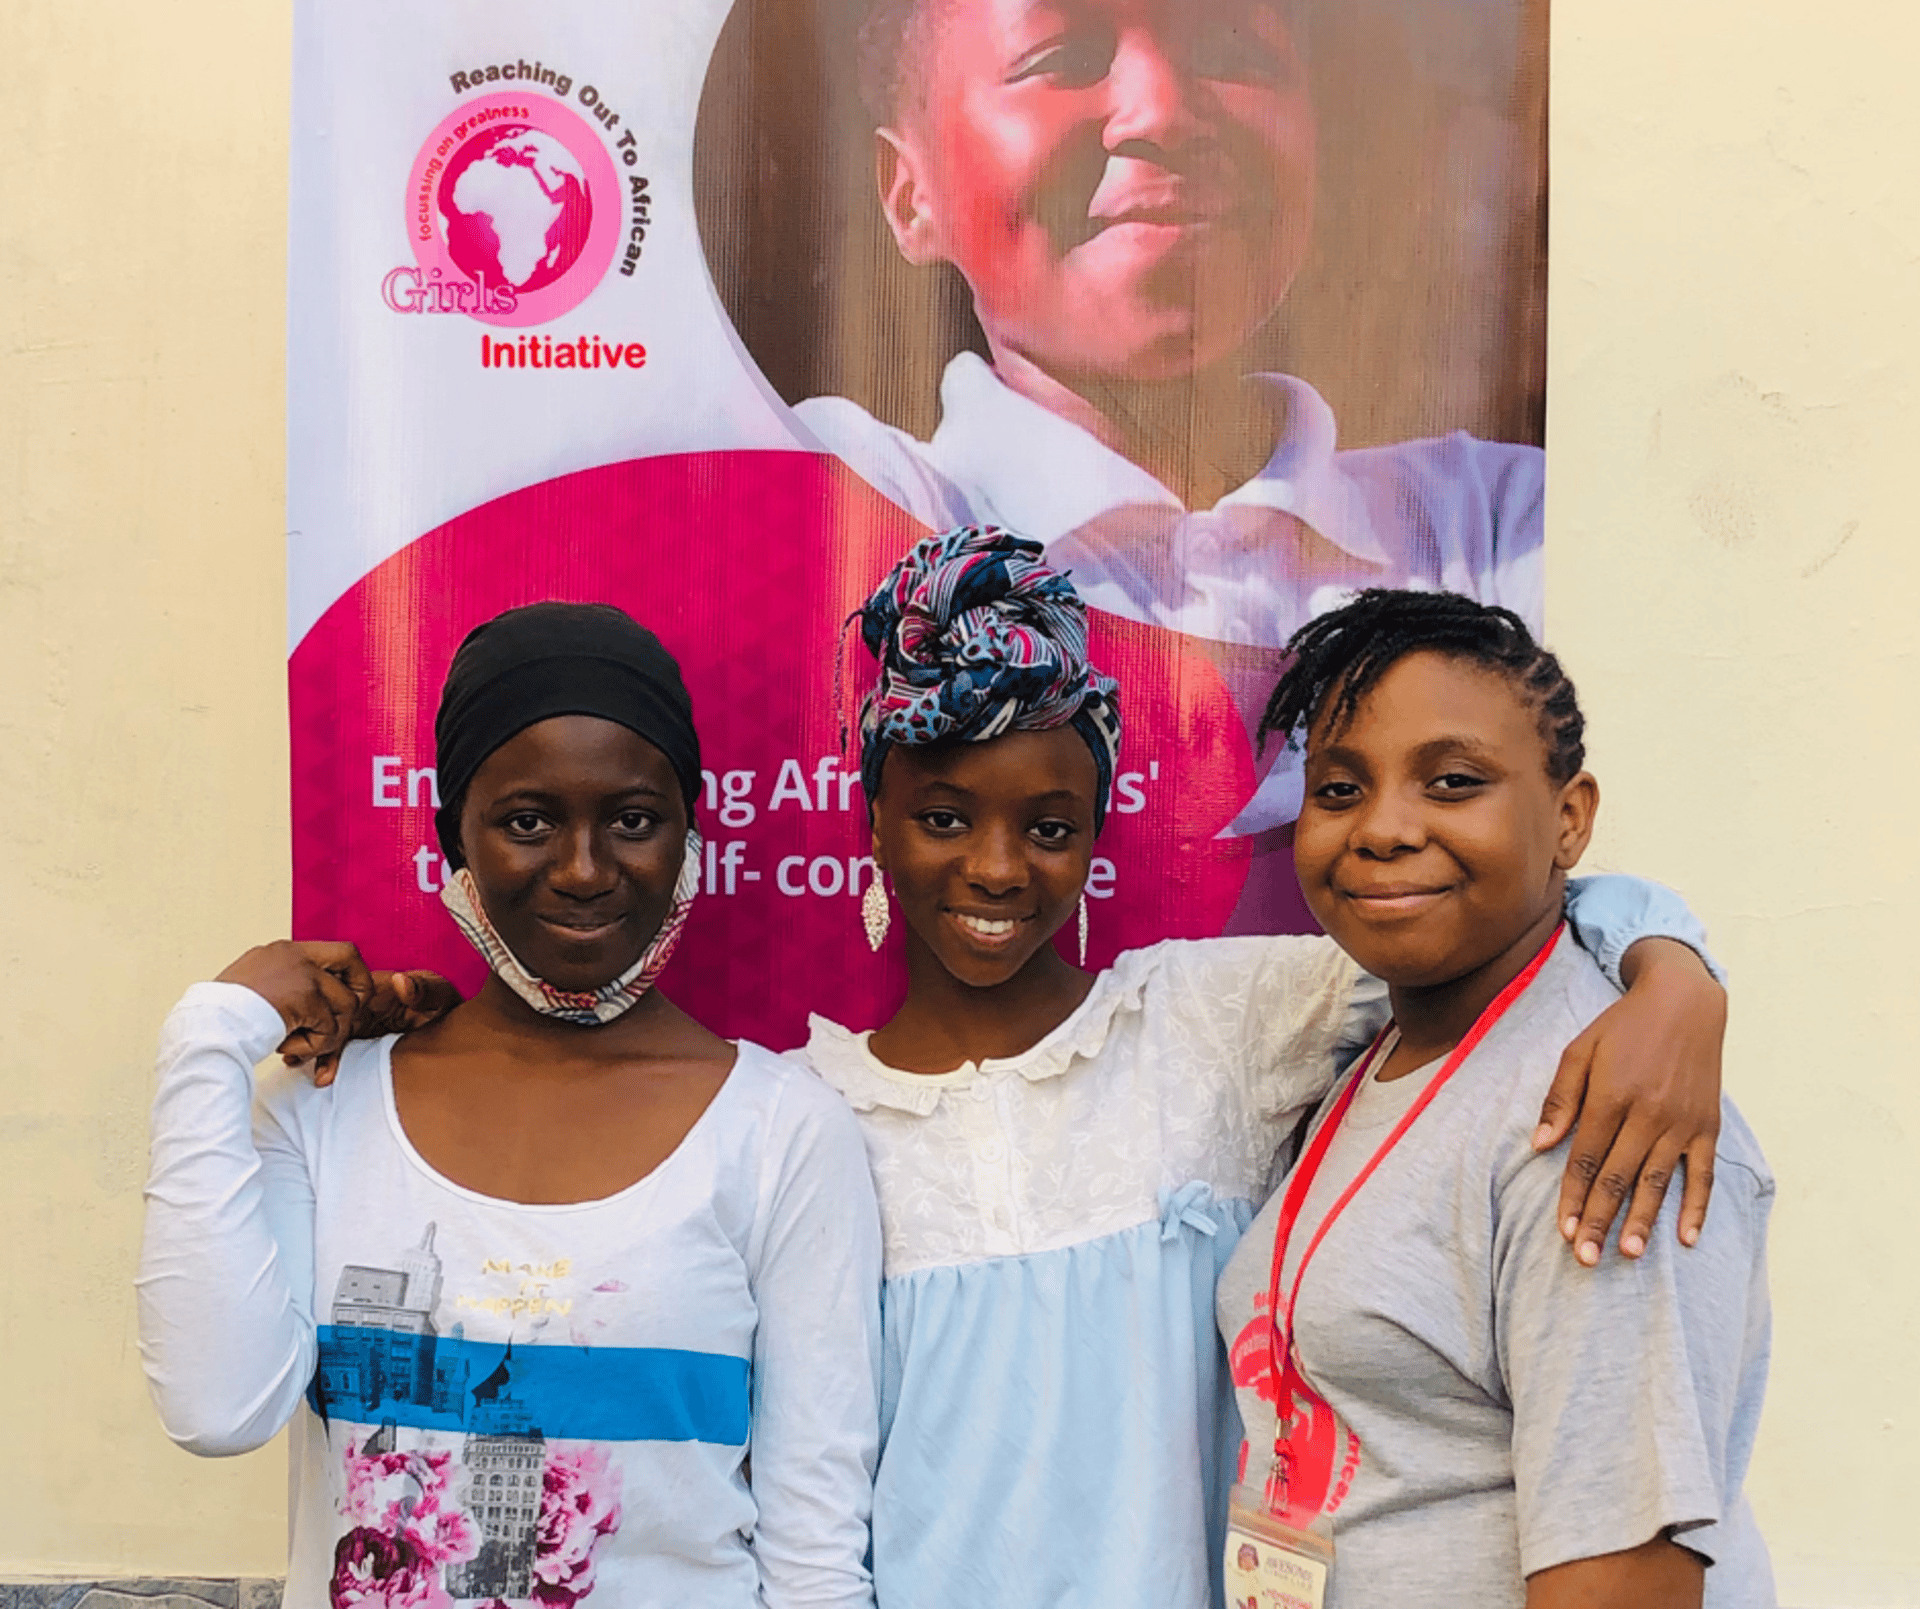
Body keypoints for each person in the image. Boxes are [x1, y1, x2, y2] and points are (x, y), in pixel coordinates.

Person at [799, 526, 1728, 1609]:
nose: (997, 867)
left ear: (1095, 834)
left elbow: (1484, 919)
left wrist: (1672, 973)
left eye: (1048, 827)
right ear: (875, 824)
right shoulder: (810, 1116)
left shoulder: (1211, 1020)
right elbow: (817, 1504)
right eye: (944, 818)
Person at [137, 603, 883, 1609]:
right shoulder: (324, 1107)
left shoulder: (783, 1132)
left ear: (690, 833)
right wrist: (209, 1034)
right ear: (455, 834)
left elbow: (814, 1553)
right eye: (529, 821)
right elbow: (218, 1408)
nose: (583, 869)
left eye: (633, 819)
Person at [792, 0, 1542, 832]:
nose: (1164, 115)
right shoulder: (837, 502)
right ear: (910, 195)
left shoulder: (1498, 528)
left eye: (1232, 51)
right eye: (1063, 59)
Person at [1215, 589, 1773, 1607]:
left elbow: (1622, 1579)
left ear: (1570, 818)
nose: (1383, 828)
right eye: (1339, 788)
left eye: (1453, 781)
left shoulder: (1598, 1118)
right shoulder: (1380, 1050)